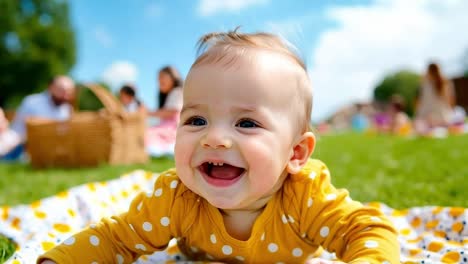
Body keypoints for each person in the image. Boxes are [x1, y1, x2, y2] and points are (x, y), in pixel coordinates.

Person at [38, 30, 399, 263]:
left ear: (296, 154)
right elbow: (117, 238)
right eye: (196, 120)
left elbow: (366, 231)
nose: (214, 138)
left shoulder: (304, 196)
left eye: (246, 123)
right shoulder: (178, 199)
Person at [7, 75, 75, 159]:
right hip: (19, 145)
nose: (66, 95)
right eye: (62, 90)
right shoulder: (32, 102)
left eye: (69, 91)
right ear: (50, 88)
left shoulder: (66, 109)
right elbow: (21, 130)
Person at [414, 62, 455, 134]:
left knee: (419, 124)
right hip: (443, 117)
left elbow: (418, 101)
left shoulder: (424, 84)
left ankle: (433, 125)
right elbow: (451, 100)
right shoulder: (446, 82)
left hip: (426, 116)